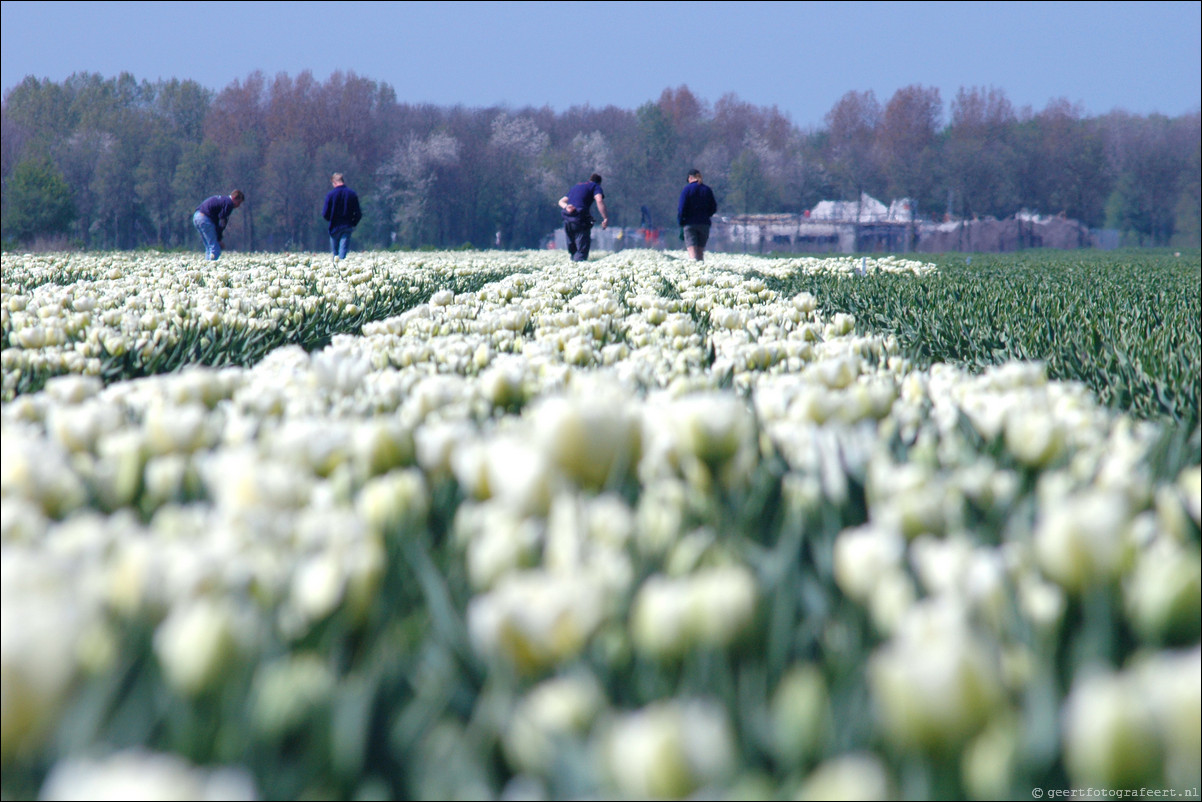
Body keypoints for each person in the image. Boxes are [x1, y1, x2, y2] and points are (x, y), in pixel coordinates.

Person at [558, 173, 609, 261]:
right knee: (581, 250)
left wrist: (567, 207)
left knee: (573, 250)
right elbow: (599, 200)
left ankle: (572, 269)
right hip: (579, 219)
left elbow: (561, 201)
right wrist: (605, 218)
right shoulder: (595, 186)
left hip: (567, 219)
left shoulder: (576, 186)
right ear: (599, 182)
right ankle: (578, 270)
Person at [677, 168, 718, 261]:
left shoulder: (687, 189)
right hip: (704, 224)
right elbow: (713, 208)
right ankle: (701, 270)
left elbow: (681, 207)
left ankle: (695, 270)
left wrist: (681, 221)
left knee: (692, 252)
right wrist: (706, 215)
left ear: (690, 178)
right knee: (700, 253)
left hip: (689, 223)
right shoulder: (707, 190)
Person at [192, 190, 245, 260]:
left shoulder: (223, 199)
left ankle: (207, 264)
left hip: (197, 216)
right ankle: (211, 267)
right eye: (239, 202)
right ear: (234, 198)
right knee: (215, 248)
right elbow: (222, 221)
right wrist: (219, 239)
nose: (238, 205)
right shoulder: (229, 203)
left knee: (209, 247)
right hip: (205, 218)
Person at [322, 173, 362, 260]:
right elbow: (358, 213)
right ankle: (342, 268)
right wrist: (353, 223)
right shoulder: (352, 194)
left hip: (334, 227)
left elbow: (325, 213)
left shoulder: (330, 195)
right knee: (343, 251)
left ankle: (337, 270)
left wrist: (330, 219)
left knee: (335, 254)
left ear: (334, 182)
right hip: (347, 226)